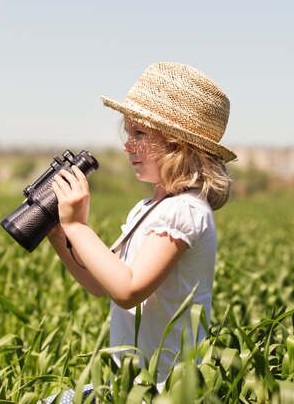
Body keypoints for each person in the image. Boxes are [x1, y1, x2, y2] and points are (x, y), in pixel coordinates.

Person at [40, 62, 236, 403]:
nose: (128, 146)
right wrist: (61, 237)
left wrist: (77, 226)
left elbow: (128, 290)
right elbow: (102, 284)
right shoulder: (148, 208)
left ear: (180, 146)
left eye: (140, 135)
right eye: (127, 133)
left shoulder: (185, 211)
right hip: (130, 384)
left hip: (166, 390)